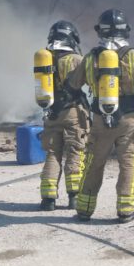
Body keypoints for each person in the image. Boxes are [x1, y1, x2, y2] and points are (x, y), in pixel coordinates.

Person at [67, 9, 134, 223]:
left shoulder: (90, 58)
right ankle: (125, 210)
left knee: (93, 163)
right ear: (126, 31)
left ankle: (84, 210)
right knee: (128, 162)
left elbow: (73, 85)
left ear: (100, 31)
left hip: (100, 120)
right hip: (129, 119)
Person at [38, 20, 89, 211]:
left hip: (51, 113)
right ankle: (74, 197)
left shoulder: (45, 59)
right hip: (72, 112)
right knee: (75, 151)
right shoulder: (76, 59)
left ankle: (48, 199)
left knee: (53, 154)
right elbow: (91, 82)